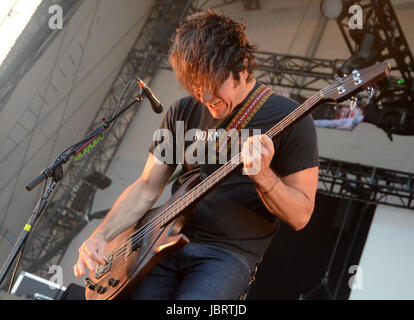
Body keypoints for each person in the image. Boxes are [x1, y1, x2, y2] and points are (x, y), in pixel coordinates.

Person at [73, 10, 319, 300]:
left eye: (213, 85)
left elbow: (301, 215)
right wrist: (101, 235)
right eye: (195, 87)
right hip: (161, 240)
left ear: (242, 67)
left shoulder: (291, 118)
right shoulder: (183, 111)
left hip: (227, 256)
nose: (205, 98)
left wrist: (265, 177)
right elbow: (147, 187)